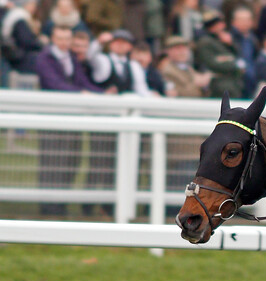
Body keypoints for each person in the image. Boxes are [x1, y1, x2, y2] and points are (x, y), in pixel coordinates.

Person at [34, 25, 103, 216]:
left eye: (67, 39)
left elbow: (82, 82)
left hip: (72, 117)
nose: (64, 42)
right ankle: (49, 206)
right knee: (52, 161)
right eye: (60, 38)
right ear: (53, 39)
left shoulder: (71, 58)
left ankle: (61, 203)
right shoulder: (44, 58)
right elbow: (53, 83)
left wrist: (103, 94)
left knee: (71, 159)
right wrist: (81, 94)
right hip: (52, 119)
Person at [195, 11, 245, 98]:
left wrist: (230, 45)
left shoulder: (223, 40)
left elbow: (237, 56)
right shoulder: (205, 42)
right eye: (218, 23)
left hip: (233, 82)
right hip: (218, 84)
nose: (222, 25)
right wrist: (235, 65)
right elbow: (213, 64)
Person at [88, 29, 152, 95]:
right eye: (117, 42)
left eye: (124, 42)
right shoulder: (103, 59)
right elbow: (89, 57)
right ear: (110, 44)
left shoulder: (134, 65)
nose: (120, 45)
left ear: (130, 46)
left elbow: (141, 89)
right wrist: (99, 42)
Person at [0, 0, 43, 73]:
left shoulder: (17, 15)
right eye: (32, 5)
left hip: (13, 54)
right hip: (16, 56)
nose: (34, 8)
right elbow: (26, 40)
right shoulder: (20, 17)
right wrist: (41, 44)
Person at [229, 6, 260, 96]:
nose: (245, 23)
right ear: (234, 22)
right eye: (242, 20)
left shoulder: (253, 38)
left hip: (253, 75)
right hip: (238, 76)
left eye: (248, 20)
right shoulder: (229, 38)